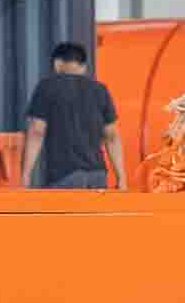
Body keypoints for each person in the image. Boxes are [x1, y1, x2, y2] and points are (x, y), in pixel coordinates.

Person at [22, 39, 118, 190]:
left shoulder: (47, 87)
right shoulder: (100, 90)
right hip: (97, 176)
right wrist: (121, 177)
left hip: (64, 175)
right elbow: (112, 137)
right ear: (83, 67)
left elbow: (36, 131)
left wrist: (26, 174)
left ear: (57, 64)